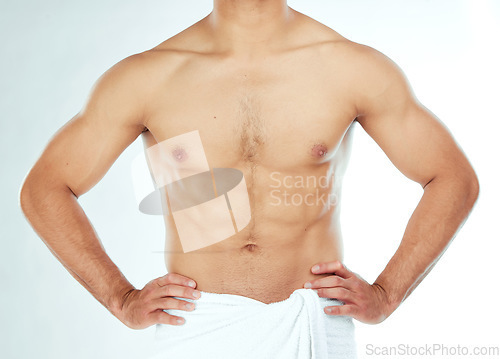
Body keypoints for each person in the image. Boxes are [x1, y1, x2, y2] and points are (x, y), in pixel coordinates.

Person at [19, 1, 479, 358]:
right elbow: (46, 189)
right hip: (197, 327)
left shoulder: (351, 68)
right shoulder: (148, 76)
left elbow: (452, 177)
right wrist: (120, 298)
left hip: (313, 324)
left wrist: (387, 293)